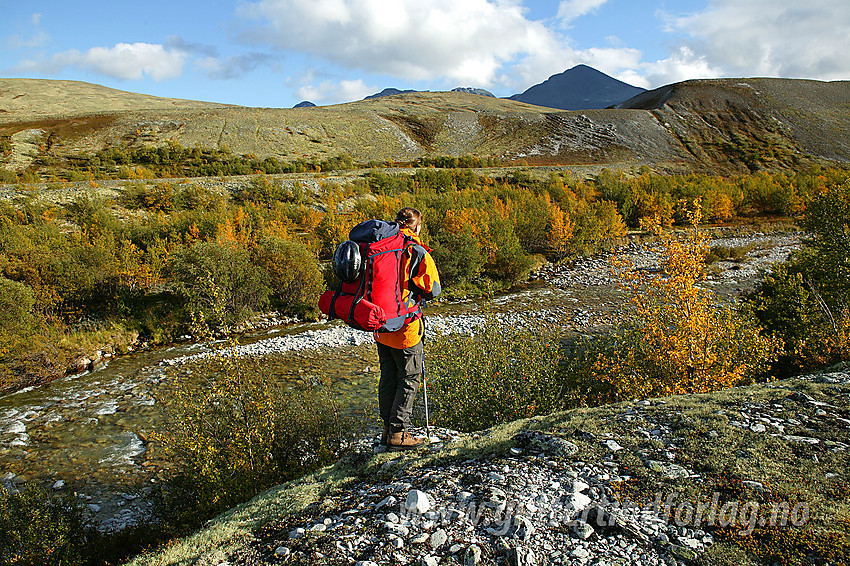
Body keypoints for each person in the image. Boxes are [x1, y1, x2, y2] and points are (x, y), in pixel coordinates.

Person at [377, 207, 441, 451]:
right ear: (417, 227)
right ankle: (398, 432)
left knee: (389, 376)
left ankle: (387, 429)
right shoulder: (417, 251)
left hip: (382, 326)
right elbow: (433, 289)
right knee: (409, 379)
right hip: (405, 328)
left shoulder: (382, 245)